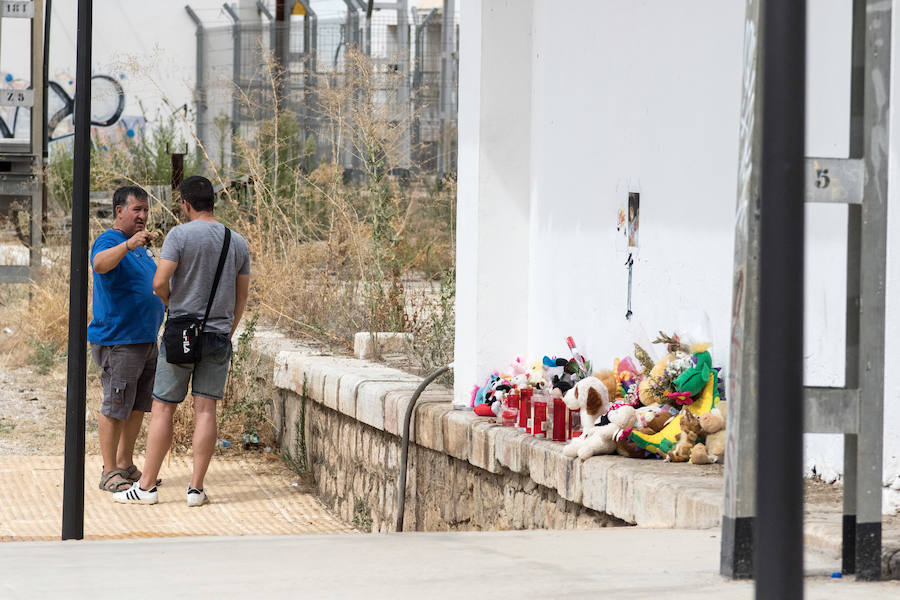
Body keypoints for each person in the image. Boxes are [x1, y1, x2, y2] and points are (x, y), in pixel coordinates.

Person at [114, 175, 250, 506]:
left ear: (185, 204)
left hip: (180, 332)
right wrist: (226, 331)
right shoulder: (238, 242)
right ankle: (196, 489)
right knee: (206, 409)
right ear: (213, 203)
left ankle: (146, 487)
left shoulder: (179, 235)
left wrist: (170, 303)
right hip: (218, 334)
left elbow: (159, 281)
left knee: (163, 408)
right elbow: (241, 298)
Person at [89, 185, 164, 492]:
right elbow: (99, 264)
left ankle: (125, 464)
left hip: (145, 339)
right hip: (119, 340)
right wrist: (128, 244)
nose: (143, 216)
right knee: (115, 404)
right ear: (119, 211)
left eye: (146, 210)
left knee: (137, 406)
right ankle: (109, 472)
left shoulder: (142, 248)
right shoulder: (110, 240)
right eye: (137, 210)